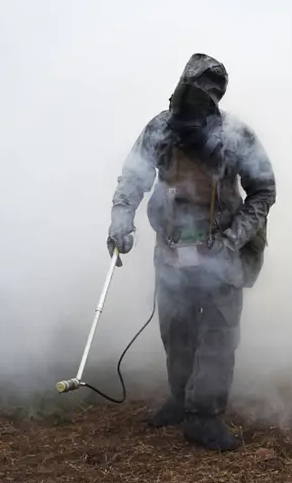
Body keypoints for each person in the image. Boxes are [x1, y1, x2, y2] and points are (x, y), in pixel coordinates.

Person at [107, 53, 276, 451]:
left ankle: (205, 415)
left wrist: (232, 239)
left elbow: (264, 190)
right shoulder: (160, 128)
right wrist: (120, 217)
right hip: (171, 250)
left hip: (221, 250)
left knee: (218, 333)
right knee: (177, 330)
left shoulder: (236, 136)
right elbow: (133, 176)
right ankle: (181, 399)